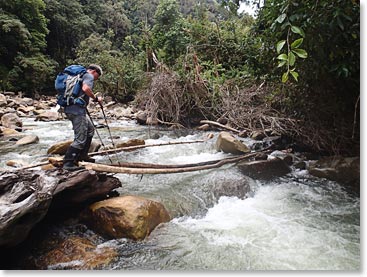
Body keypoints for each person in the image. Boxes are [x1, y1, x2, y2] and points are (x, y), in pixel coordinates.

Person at [63, 64, 103, 171]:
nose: (95, 79)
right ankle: (68, 163)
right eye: (97, 77)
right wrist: (95, 98)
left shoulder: (77, 76)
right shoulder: (88, 76)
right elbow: (86, 88)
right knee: (80, 138)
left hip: (71, 108)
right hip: (77, 111)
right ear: (94, 72)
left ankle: (83, 155)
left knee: (90, 129)